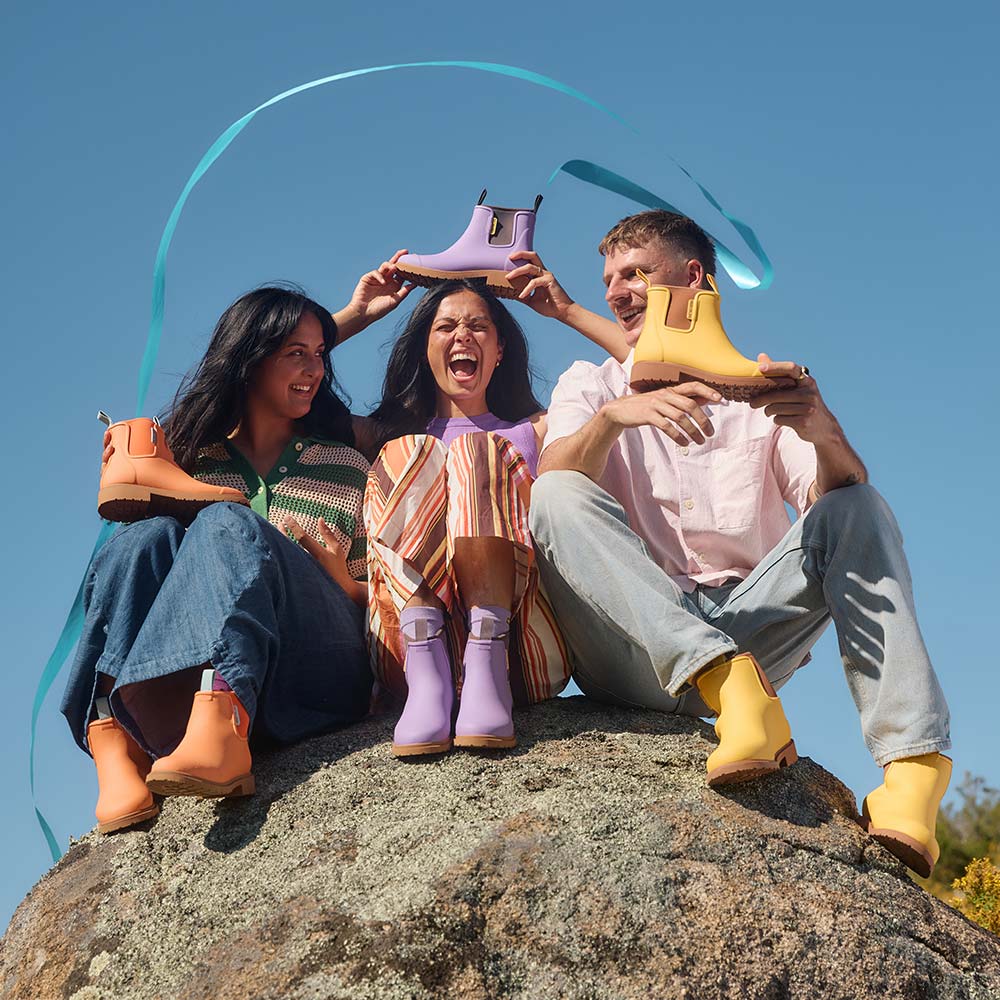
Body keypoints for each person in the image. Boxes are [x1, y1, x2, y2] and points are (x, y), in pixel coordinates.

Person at [515, 209, 952, 878]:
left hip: (751, 634)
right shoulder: (591, 383)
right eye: (608, 281)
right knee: (556, 493)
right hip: (629, 647)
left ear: (692, 277)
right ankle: (729, 686)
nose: (616, 292)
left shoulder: (760, 393)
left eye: (636, 274)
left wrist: (825, 433)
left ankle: (914, 773)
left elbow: (835, 502)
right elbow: (554, 475)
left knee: (858, 503)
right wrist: (612, 420)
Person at [61, 286, 381, 834]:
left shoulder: (347, 465)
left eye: (319, 354)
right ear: (249, 360)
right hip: (184, 705)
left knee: (227, 521)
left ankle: (223, 709)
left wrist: (345, 581)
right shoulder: (192, 465)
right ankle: (114, 736)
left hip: (319, 676)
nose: (315, 369)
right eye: (296, 353)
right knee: (141, 538)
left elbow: (393, 596)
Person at [358, 277, 629, 756]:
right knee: (409, 451)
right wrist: (359, 315)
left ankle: (486, 659)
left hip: (521, 652)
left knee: (478, 451)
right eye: (446, 327)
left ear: (499, 350)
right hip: (405, 654)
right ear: (425, 349)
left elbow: (642, 366)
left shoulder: (539, 431)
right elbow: (274, 378)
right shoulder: (381, 434)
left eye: (478, 326)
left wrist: (566, 310)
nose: (462, 335)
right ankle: (428, 675)